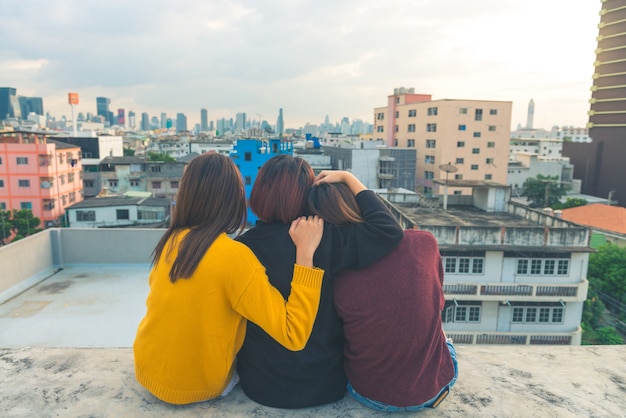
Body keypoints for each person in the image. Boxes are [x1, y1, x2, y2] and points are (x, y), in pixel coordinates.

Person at [133, 153, 325, 405]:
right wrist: (305, 256)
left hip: (146, 370)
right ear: (235, 198)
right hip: (199, 386)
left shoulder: (170, 240)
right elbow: (293, 334)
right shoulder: (236, 258)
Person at [236, 155, 404, 408]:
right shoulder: (327, 238)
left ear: (259, 192)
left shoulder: (243, 250)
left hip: (261, 385)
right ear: (307, 194)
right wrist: (349, 179)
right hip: (325, 384)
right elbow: (388, 230)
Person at [306, 182, 458, 412]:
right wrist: (349, 179)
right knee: (434, 320)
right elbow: (437, 302)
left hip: (370, 393)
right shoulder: (423, 242)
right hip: (436, 386)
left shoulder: (334, 274)